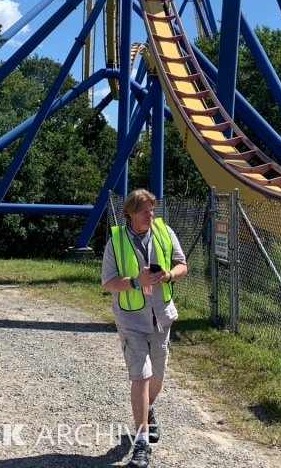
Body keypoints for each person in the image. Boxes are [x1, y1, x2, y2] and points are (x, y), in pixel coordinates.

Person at [101, 188, 188, 468]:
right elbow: (108, 282)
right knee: (141, 374)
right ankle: (141, 442)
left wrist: (169, 275)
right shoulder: (115, 241)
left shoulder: (164, 231)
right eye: (145, 211)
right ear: (131, 213)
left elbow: (182, 264)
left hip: (161, 316)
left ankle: (148, 409)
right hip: (131, 319)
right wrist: (136, 282)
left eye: (153, 209)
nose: (151, 215)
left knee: (158, 375)